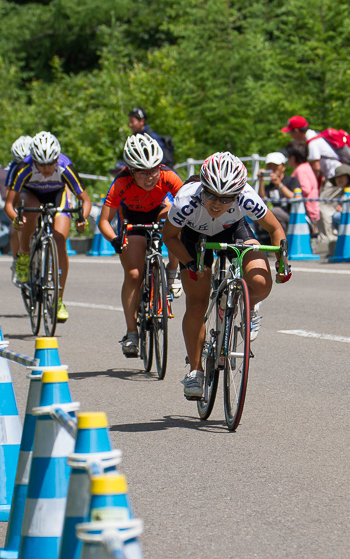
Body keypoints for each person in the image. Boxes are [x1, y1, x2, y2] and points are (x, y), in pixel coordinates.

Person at [162, 152, 289, 399]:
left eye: (227, 198)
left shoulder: (247, 198)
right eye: (211, 195)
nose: (218, 203)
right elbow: (169, 237)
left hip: (233, 230)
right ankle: (195, 371)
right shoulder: (186, 200)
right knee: (197, 301)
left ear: (238, 193)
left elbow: (275, 228)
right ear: (202, 187)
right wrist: (189, 264)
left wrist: (282, 262)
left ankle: (250, 305)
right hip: (194, 237)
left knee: (261, 282)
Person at [98, 134, 184, 357]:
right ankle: (131, 332)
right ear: (130, 170)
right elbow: (104, 221)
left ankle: (172, 272)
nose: (150, 177)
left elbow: (188, 207)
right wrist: (115, 241)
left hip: (159, 211)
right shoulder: (121, 183)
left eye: (154, 170)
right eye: (143, 172)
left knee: (178, 225)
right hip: (132, 220)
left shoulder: (168, 176)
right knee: (134, 275)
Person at [5, 131, 91, 323]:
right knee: (32, 212)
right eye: (41, 164)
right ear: (33, 160)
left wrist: (82, 218)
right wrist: (15, 218)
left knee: (60, 239)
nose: (46, 168)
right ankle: (25, 256)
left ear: (57, 158)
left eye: (50, 163)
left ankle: (59, 300)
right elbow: (9, 204)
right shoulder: (23, 168)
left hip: (57, 194)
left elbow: (85, 201)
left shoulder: (65, 166)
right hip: (30, 194)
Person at [280, 115, 341, 186]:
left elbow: (316, 167)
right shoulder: (315, 136)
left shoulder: (312, 142)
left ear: (296, 131)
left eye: (290, 132)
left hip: (334, 175)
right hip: (334, 173)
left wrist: (312, 184)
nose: (290, 135)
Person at [255, 151, 300, 233]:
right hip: (278, 217)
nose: (273, 168)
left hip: (292, 215)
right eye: (270, 166)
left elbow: (294, 197)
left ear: (283, 167)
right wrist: (261, 181)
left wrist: (279, 185)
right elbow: (261, 201)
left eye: (276, 165)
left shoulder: (292, 180)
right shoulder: (269, 186)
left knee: (275, 211)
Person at [284, 141, 320, 231]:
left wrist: (290, 197)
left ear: (294, 157)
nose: (287, 159)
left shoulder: (300, 170)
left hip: (306, 210)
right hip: (310, 208)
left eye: (289, 156)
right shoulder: (306, 166)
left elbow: (305, 190)